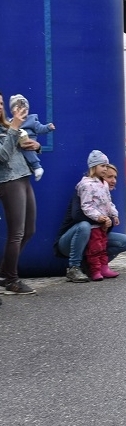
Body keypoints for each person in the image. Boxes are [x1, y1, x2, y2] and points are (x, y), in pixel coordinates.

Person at [55, 160, 126, 283]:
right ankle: (74, 267)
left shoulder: (105, 195)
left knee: (125, 241)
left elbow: (107, 227)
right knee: (84, 226)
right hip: (70, 242)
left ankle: (94, 266)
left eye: (115, 177)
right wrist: (101, 220)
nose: (113, 180)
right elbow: (77, 216)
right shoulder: (85, 189)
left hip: (95, 239)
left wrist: (109, 221)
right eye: (109, 177)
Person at [0, 90, 40, 295]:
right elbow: (3, 156)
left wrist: (36, 146)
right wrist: (14, 126)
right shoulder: (10, 127)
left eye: (0, 103)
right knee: (16, 233)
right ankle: (11, 280)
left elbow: (22, 146)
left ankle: (4, 272)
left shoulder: (6, 125)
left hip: (23, 177)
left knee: (29, 230)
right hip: (7, 182)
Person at [75, 150, 121, 281]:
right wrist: (98, 217)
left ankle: (104, 267)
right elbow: (86, 205)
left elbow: (108, 202)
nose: (105, 169)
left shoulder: (103, 184)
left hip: (103, 223)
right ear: (93, 167)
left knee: (103, 245)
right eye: (102, 166)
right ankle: (94, 270)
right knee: (95, 247)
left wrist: (114, 214)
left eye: (106, 166)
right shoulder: (86, 185)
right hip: (95, 223)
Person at [8, 94, 55, 181]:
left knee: (28, 152)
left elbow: (40, 128)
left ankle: (37, 167)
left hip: (28, 141)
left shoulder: (31, 120)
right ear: (13, 111)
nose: (23, 111)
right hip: (13, 168)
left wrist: (48, 127)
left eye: (25, 109)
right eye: (19, 109)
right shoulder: (9, 123)